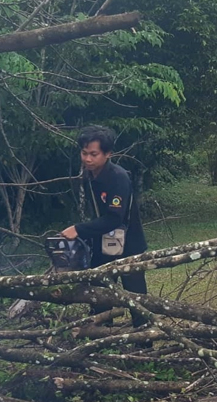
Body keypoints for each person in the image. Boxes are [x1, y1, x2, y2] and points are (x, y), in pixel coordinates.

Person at [62, 125, 148, 328]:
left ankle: (144, 345)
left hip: (129, 246)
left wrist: (78, 229)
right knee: (99, 297)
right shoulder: (89, 176)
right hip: (102, 246)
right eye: (84, 153)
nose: (88, 159)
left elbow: (114, 218)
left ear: (108, 154)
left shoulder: (117, 177)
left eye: (94, 154)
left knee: (136, 300)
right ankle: (103, 342)